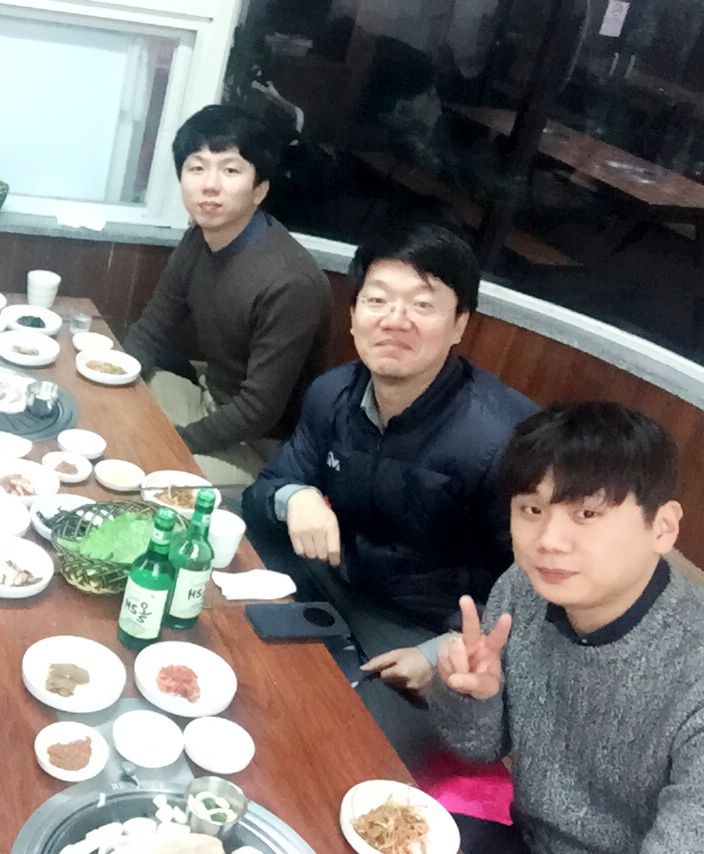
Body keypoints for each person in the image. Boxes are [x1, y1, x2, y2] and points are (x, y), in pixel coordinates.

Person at [242, 222, 536, 765]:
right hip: (332, 581)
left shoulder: (506, 440)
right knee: (225, 644)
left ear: (459, 324)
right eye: (377, 300)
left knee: (337, 755)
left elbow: (541, 588)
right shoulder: (334, 393)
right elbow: (261, 492)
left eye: (422, 305)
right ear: (354, 315)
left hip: (424, 633)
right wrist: (295, 496)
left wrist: (444, 650)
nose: (395, 320)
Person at [430, 402, 703, 854]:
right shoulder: (524, 589)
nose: (548, 540)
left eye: (586, 513)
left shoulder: (692, 671)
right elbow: (478, 748)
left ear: (663, 527)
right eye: (532, 509)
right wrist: (471, 696)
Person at [122, 103, 332, 485]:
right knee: (115, 409)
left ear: (259, 189)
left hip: (261, 447)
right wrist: (112, 377)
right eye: (197, 168)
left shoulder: (289, 282)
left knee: (142, 470)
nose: (210, 185)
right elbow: (151, 330)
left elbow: (258, 412)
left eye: (230, 170)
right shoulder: (200, 238)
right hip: (208, 401)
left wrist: (174, 441)